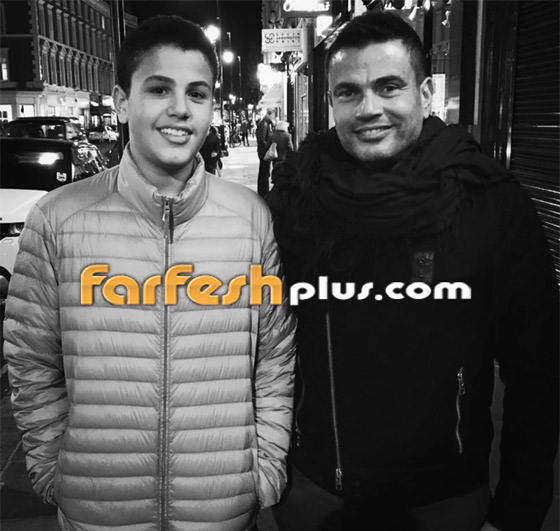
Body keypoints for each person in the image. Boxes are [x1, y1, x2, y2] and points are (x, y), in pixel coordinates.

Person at [267, 10, 558, 531]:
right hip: (317, 494)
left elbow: (537, 371)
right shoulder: (294, 202)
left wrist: (518, 511)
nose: (369, 109)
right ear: (331, 101)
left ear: (424, 94)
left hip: (445, 501)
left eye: (389, 86)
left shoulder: (489, 201)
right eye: (349, 92)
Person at [4, 15, 296, 531]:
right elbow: (32, 362)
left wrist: (264, 470)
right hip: (98, 512)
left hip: (223, 511)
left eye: (197, 93)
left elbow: (273, 355)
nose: (180, 108)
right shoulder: (58, 219)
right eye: (159, 89)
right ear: (122, 101)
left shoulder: (250, 218)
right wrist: (55, 472)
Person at [256, 108, 276, 197]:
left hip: (264, 151)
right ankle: (263, 191)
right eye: (273, 115)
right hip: (264, 152)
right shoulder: (264, 124)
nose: (273, 117)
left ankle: (263, 190)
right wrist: (267, 147)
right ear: (269, 115)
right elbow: (261, 139)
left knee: (264, 171)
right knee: (264, 172)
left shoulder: (267, 123)